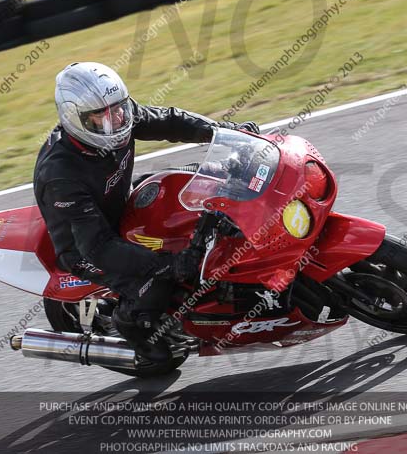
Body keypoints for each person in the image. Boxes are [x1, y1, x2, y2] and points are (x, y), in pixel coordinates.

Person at [33, 62, 258, 363]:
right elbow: (96, 246)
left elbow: (170, 121)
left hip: (121, 206)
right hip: (86, 246)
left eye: (118, 110)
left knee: (208, 183)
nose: (114, 121)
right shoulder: (60, 174)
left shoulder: (119, 115)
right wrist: (168, 265)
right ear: (75, 118)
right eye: (101, 117)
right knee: (155, 285)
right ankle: (135, 333)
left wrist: (229, 132)